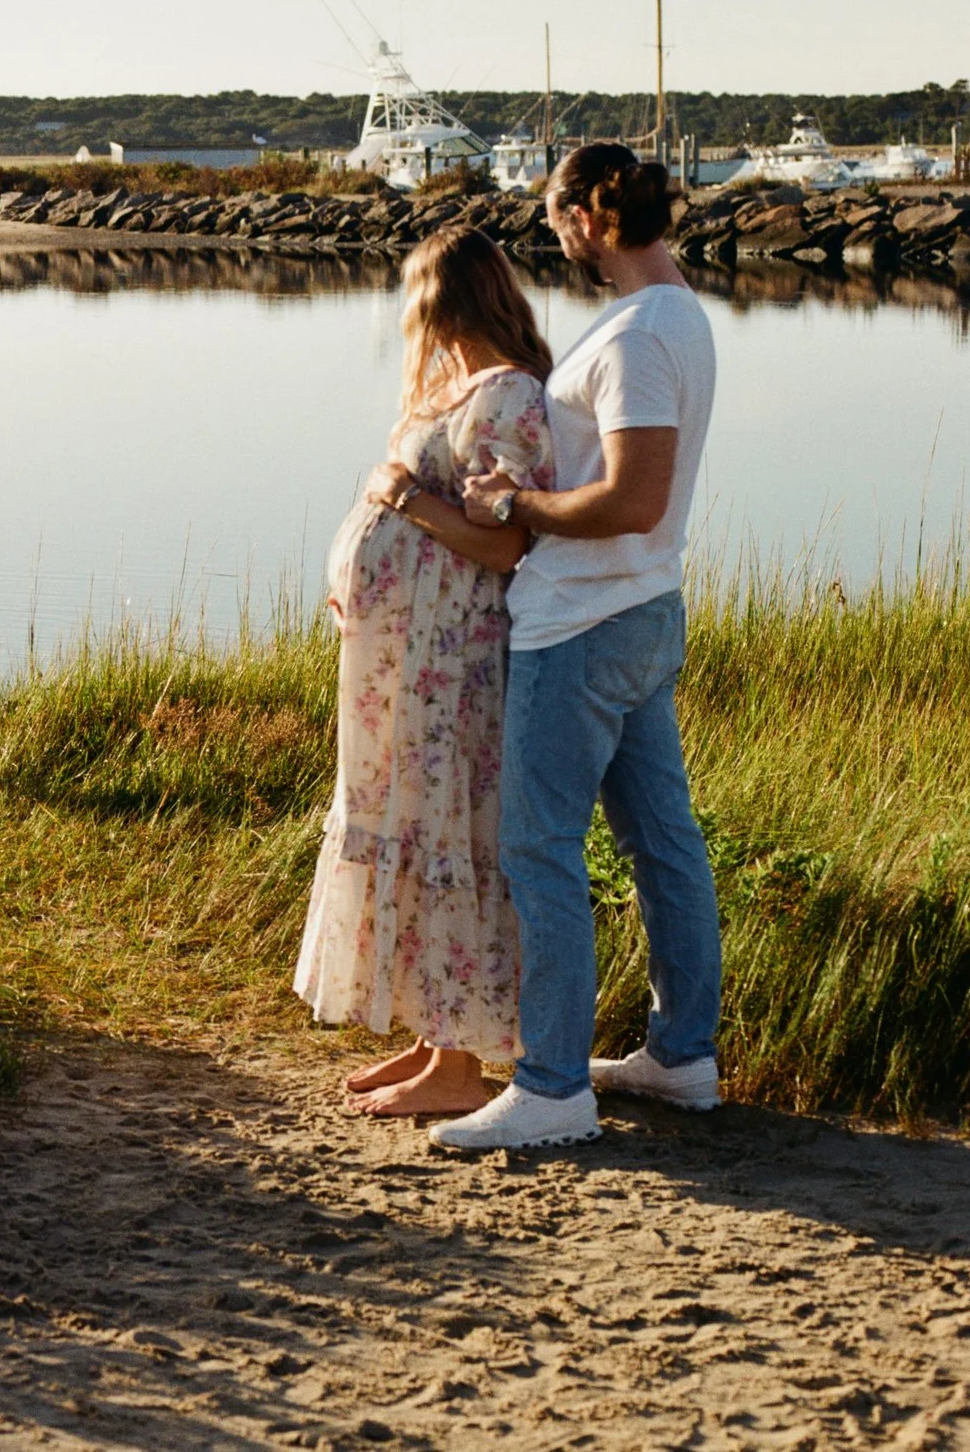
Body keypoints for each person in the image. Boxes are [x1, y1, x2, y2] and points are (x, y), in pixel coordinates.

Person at [430, 143, 723, 1153]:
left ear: (592, 216)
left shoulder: (640, 334)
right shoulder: (679, 313)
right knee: (661, 842)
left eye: (555, 216)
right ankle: (681, 1057)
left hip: (584, 624)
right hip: (641, 613)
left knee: (537, 849)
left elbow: (633, 499)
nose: (550, 235)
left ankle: (552, 1084)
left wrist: (512, 503)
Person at [295, 226, 556, 1117]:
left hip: (450, 665)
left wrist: (405, 503)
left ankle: (459, 1064)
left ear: (443, 300)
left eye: (413, 296)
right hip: (402, 658)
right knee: (404, 822)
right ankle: (427, 1031)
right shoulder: (458, 390)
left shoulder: (508, 396)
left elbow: (507, 540)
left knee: (447, 829)